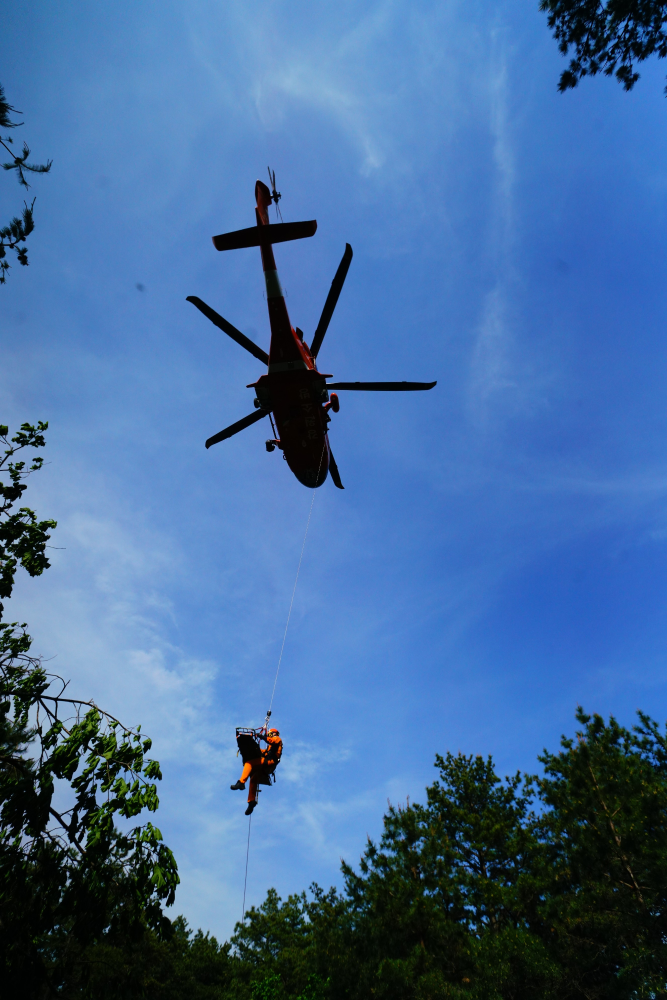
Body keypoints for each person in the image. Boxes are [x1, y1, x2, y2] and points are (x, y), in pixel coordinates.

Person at [231, 728, 283, 815]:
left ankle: (241, 782)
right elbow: (266, 751)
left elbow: (271, 741)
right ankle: (251, 802)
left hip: (270, 762)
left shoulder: (277, 738)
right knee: (254, 779)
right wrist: (257, 749)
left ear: (273, 733)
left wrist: (261, 736)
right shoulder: (272, 744)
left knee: (249, 763)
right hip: (268, 764)